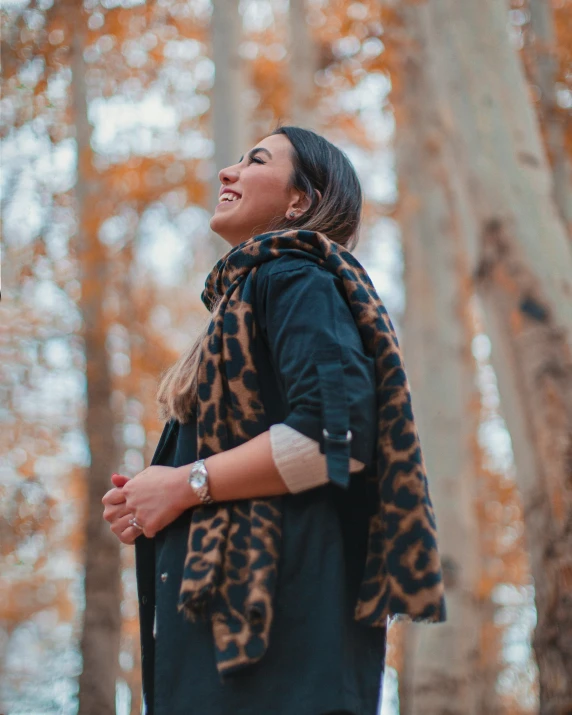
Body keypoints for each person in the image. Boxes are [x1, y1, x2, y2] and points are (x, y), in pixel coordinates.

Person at [102, 125, 446, 715]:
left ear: (300, 202)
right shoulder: (252, 293)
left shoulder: (292, 277)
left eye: (254, 161)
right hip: (234, 645)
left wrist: (186, 485)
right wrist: (150, 499)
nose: (227, 173)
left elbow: (331, 438)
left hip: (281, 652)